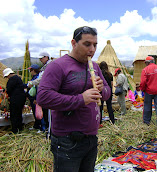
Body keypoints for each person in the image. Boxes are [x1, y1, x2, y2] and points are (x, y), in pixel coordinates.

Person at [37, 26, 111, 171]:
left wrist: (103, 89)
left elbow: (107, 94)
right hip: (67, 140)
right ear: (73, 43)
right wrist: (81, 99)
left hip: (91, 137)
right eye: (87, 44)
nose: (92, 49)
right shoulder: (57, 66)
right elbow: (43, 97)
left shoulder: (95, 66)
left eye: (95, 45)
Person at [28, 51, 52, 130]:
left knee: (48, 112)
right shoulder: (45, 67)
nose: (40, 60)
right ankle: (46, 128)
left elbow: (42, 79)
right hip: (45, 91)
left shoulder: (50, 66)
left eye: (41, 58)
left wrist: (33, 82)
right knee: (45, 112)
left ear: (46, 57)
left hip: (49, 91)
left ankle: (48, 128)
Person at [140, 56, 157, 126]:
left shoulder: (145, 70)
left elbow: (143, 82)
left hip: (149, 91)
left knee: (147, 106)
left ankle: (146, 121)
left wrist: (143, 89)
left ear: (147, 63)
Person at [3, 68, 26, 133]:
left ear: (9, 74)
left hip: (15, 99)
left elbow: (9, 90)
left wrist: (7, 93)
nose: (7, 78)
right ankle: (19, 127)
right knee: (19, 113)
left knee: (14, 114)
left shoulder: (12, 80)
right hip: (21, 98)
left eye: (7, 76)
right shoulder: (18, 78)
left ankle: (15, 129)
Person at [26, 64, 46, 131]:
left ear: (33, 70)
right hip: (35, 98)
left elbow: (37, 88)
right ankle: (37, 126)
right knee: (36, 113)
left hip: (37, 99)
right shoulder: (35, 77)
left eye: (30, 70)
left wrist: (36, 98)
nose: (30, 72)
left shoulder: (37, 78)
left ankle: (42, 127)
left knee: (39, 113)